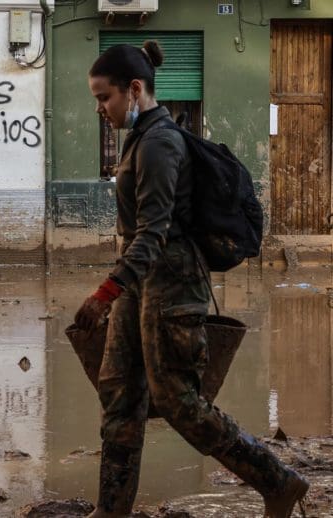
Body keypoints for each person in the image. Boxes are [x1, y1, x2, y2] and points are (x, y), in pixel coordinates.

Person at [75, 40, 309, 518]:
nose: (100, 108)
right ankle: (111, 509)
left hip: (172, 285)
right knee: (119, 395)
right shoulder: (140, 140)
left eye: (105, 97)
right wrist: (120, 291)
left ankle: (279, 482)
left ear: (134, 89)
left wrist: (105, 292)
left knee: (179, 403)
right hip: (141, 284)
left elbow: (154, 233)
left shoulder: (160, 143)